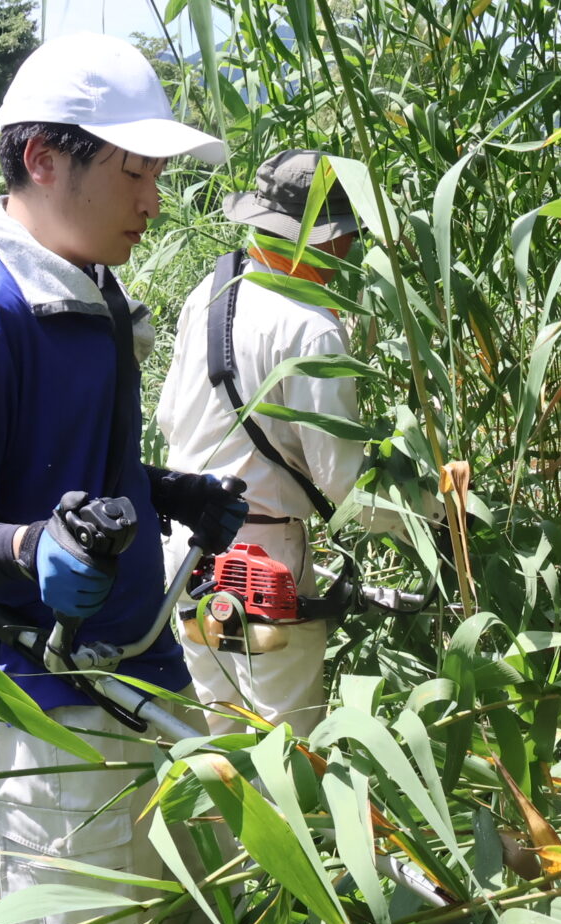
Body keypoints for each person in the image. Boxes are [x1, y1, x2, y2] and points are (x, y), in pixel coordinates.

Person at [0, 33, 248, 924]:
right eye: (133, 171)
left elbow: (63, 470)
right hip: (48, 702)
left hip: (147, 669)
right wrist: (30, 552)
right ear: (44, 159)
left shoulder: (87, 290)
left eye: (155, 174)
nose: (151, 200)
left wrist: (161, 491)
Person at [155, 148, 374, 738]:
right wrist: (435, 514)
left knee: (214, 737)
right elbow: (343, 483)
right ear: (326, 240)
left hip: (185, 552)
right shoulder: (313, 328)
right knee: (288, 743)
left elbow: (170, 418)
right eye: (345, 235)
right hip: (263, 560)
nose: (349, 249)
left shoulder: (209, 294)